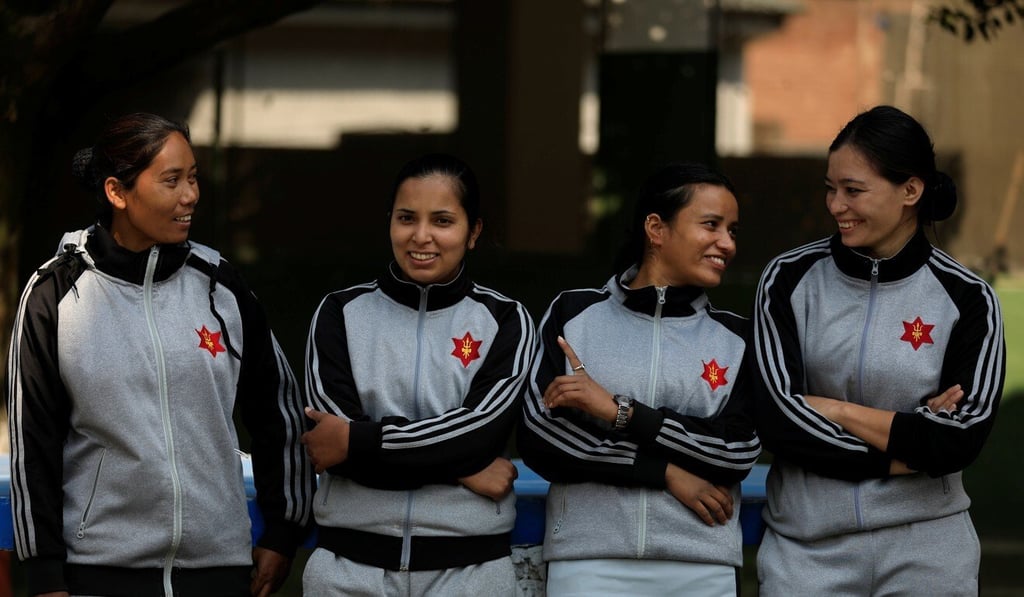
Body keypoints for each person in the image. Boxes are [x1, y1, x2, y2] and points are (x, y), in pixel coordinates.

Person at [5, 112, 315, 597]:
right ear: (117, 192)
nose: (190, 195)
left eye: (193, 177)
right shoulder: (55, 293)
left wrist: (281, 530)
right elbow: (33, 447)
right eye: (171, 180)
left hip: (220, 572)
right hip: (99, 575)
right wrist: (45, 575)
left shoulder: (221, 285)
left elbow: (279, 411)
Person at [751, 105, 1005, 596]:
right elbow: (776, 421)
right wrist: (908, 437)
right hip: (806, 554)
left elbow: (958, 442)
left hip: (930, 553)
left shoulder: (969, 299)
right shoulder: (785, 279)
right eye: (831, 188)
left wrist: (830, 408)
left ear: (911, 191)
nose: (836, 205)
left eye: (853, 190)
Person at [518, 163, 762, 596]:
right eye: (711, 225)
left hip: (701, 565)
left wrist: (618, 412)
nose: (726, 243)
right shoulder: (574, 316)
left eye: (733, 230)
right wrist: (665, 472)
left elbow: (735, 451)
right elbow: (544, 437)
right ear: (656, 228)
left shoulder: (736, 338)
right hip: (589, 561)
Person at [300, 153, 535, 596]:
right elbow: (333, 446)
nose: (421, 236)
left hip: (472, 574)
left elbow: (479, 435)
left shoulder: (507, 320)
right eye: (406, 218)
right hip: (347, 572)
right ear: (389, 221)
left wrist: (362, 439)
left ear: (473, 232)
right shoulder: (339, 313)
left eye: (442, 221)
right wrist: (463, 471)